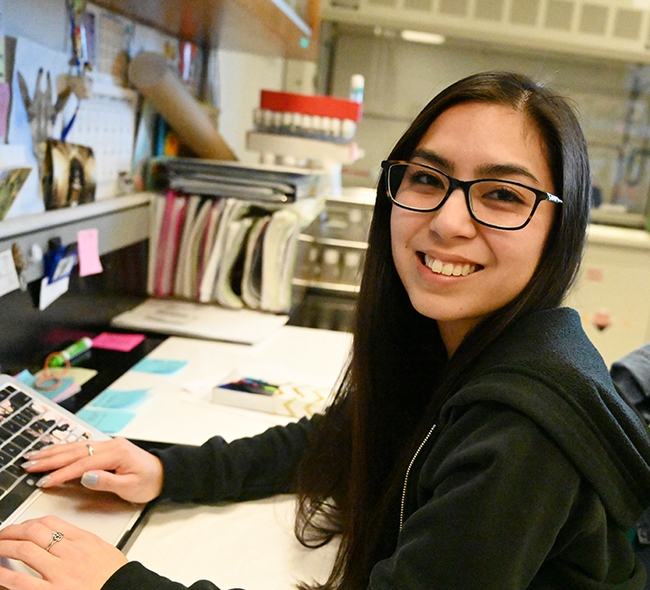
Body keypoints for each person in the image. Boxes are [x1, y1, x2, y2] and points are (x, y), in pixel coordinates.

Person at [1, 70, 650, 590]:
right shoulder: (455, 339)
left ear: (559, 229)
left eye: (502, 195)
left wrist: (120, 585)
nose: (449, 222)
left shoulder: (527, 426)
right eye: (427, 179)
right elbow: (342, 438)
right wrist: (168, 472)